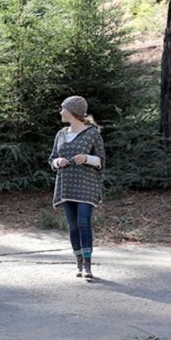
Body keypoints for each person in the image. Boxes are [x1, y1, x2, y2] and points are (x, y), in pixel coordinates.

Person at [49, 95, 105, 281]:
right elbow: (52, 159)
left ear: (72, 111)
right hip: (66, 186)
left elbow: (101, 161)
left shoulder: (92, 133)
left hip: (86, 186)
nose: (60, 112)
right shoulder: (61, 134)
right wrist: (58, 161)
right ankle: (79, 262)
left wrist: (87, 158)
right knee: (73, 226)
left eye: (63, 108)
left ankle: (88, 266)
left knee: (83, 222)